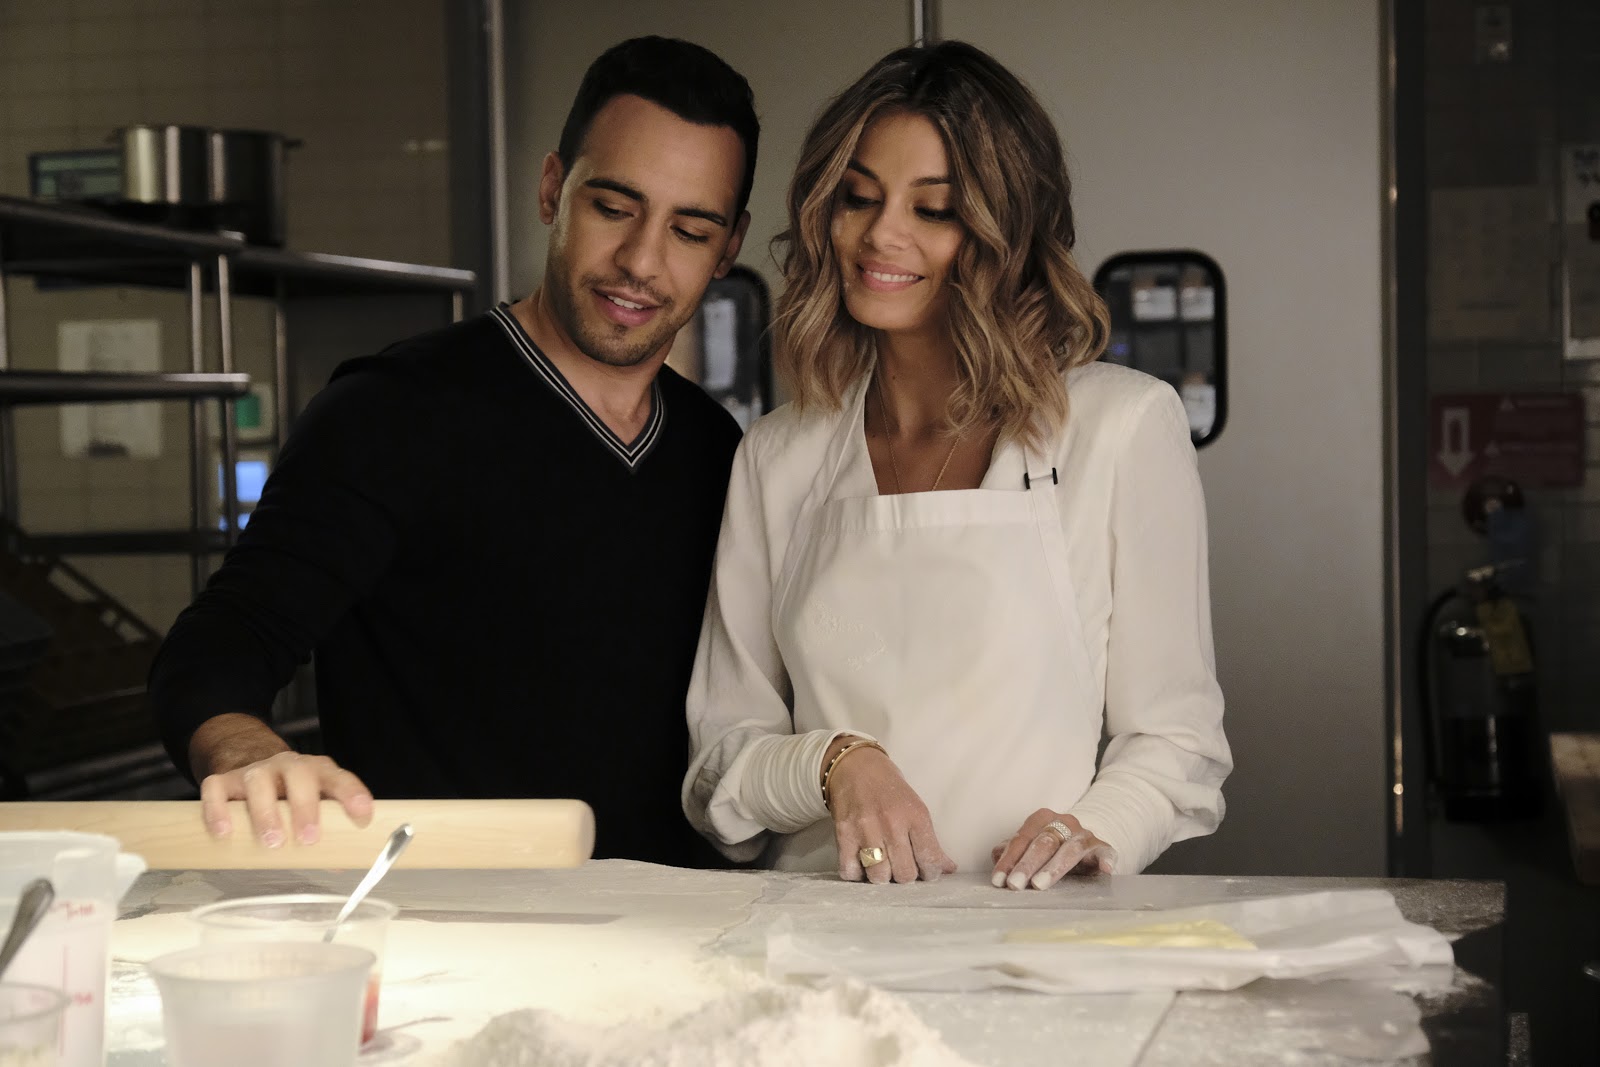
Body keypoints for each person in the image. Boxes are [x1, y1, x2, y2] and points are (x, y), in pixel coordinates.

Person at [150, 35, 759, 868]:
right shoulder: (392, 413)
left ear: (728, 249)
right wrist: (247, 750)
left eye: (689, 230)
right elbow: (221, 640)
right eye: (614, 208)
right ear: (553, 189)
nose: (641, 261)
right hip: (449, 917)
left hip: (679, 923)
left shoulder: (717, 450)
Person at [682, 40, 1230, 889]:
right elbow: (720, 766)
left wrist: (1093, 828)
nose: (881, 233)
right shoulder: (778, 457)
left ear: (1005, 233)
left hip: (1034, 934)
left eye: (933, 209)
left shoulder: (1120, 429)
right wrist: (835, 762)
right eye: (859, 197)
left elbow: (1176, 740)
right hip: (817, 938)